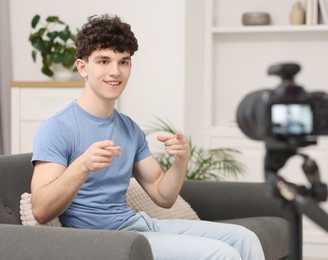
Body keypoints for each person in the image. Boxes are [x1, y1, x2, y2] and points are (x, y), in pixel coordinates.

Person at [30, 14, 265, 260]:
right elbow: (41, 209)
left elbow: (163, 196)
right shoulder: (57, 128)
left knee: (244, 237)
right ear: (82, 67)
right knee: (221, 254)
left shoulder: (129, 128)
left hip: (137, 226)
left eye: (124, 62)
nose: (115, 72)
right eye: (103, 61)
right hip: (102, 240)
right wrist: (83, 166)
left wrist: (181, 160)